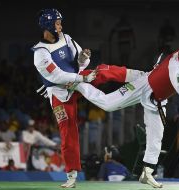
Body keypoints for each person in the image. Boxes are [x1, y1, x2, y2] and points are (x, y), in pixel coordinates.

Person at [74, 40, 179, 188]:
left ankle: (147, 173)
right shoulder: (176, 63)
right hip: (144, 85)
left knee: (156, 138)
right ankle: (79, 84)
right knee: (108, 104)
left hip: (157, 100)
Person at [32, 8, 144, 188]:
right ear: (47, 25)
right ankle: (71, 175)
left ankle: (140, 75)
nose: (60, 26)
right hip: (59, 92)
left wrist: (83, 58)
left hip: (77, 79)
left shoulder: (67, 38)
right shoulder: (40, 53)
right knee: (68, 131)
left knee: (102, 70)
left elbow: (80, 63)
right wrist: (82, 77)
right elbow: (57, 76)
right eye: (57, 23)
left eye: (60, 22)